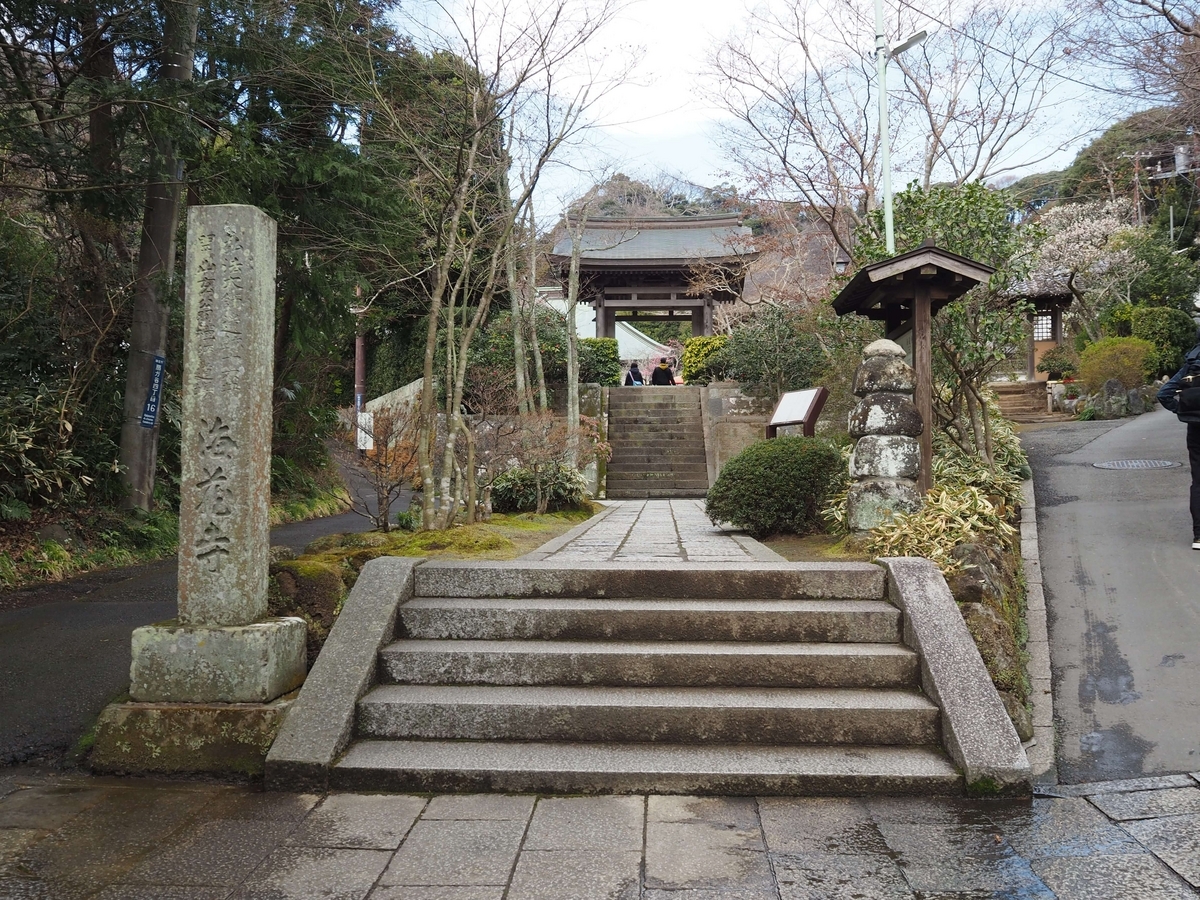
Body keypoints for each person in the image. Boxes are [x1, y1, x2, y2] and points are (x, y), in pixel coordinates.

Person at [1156, 329, 1200, 550]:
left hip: (1195, 429)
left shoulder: (1191, 364)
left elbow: (1163, 394)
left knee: (1198, 481)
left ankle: (1199, 537)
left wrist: (1182, 411)